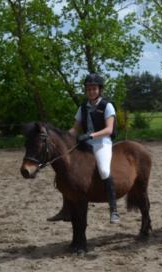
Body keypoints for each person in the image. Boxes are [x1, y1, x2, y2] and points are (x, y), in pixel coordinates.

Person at [48, 72, 120, 224]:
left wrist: (91, 136)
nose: (91, 91)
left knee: (104, 170)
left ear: (99, 90)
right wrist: (63, 137)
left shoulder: (107, 106)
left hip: (102, 142)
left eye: (94, 89)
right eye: (88, 89)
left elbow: (109, 129)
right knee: (68, 168)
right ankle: (65, 209)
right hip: (85, 142)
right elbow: (75, 129)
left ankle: (113, 209)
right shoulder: (83, 107)